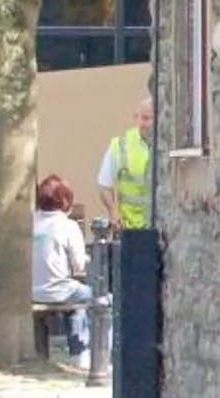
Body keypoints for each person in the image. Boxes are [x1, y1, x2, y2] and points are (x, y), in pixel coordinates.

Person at [32, 174, 93, 370]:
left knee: (76, 299)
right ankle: (83, 352)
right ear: (65, 201)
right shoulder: (68, 226)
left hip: (29, 292)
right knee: (102, 299)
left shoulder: (29, 223)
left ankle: (41, 355)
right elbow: (79, 267)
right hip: (59, 290)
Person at [97, 95, 152, 230]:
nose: (146, 124)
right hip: (130, 227)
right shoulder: (121, 145)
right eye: (142, 118)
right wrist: (113, 212)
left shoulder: (167, 143)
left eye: (150, 118)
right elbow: (104, 185)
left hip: (163, 229)